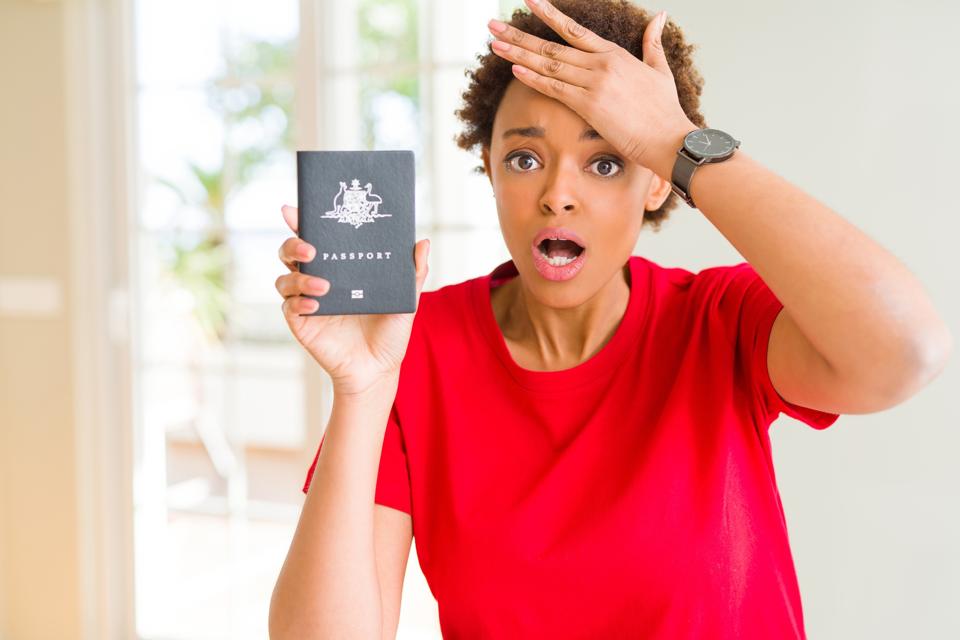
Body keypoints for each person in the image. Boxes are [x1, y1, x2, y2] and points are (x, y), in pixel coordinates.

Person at [268, 1, 953, 638]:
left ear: (657, 180)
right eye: (525, 158)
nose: (558, 194)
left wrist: (678, 141)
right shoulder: (415, 349)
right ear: (489, 168)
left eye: (605, 161)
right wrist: (361, 389)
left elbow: (907, 349)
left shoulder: (719, 323)